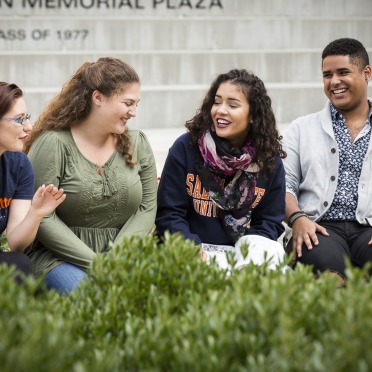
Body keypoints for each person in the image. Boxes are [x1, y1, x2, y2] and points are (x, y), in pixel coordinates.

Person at [24, 57, 158, 294]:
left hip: (124, 255)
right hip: (60, 257)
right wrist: (98, 265)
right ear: (98, 98)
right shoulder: (53, 144)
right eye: (128, 103)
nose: (133, 112)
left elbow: (147, 207)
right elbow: (42, 217)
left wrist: (118, 258)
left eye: (137, 104)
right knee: (96, 300)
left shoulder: (138, 142)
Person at [156, 69, 287, 269]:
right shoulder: (186, 148)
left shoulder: (268, 160)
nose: (220, 110)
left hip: (241, 255)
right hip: (191, 252)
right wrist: (187, 245)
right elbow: (169, 213)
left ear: (253, 115)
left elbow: (268, 222)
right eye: (217, 102)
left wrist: (248, 256)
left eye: (232, 105)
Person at [283, 37, 372, 286]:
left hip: (368, 229)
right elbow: (283, 184)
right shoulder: (301, 128)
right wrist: (297, 219)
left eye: (343, 72)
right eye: (327, 75)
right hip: (317, 227)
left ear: (366, 73)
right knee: (332, 278)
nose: (334, 82)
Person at [0, 82, 65, 283]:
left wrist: (35, 213)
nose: (29, 126)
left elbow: (16, 243)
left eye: (26, 117)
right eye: (19, 119)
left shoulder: (19, 165)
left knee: (19, 263)